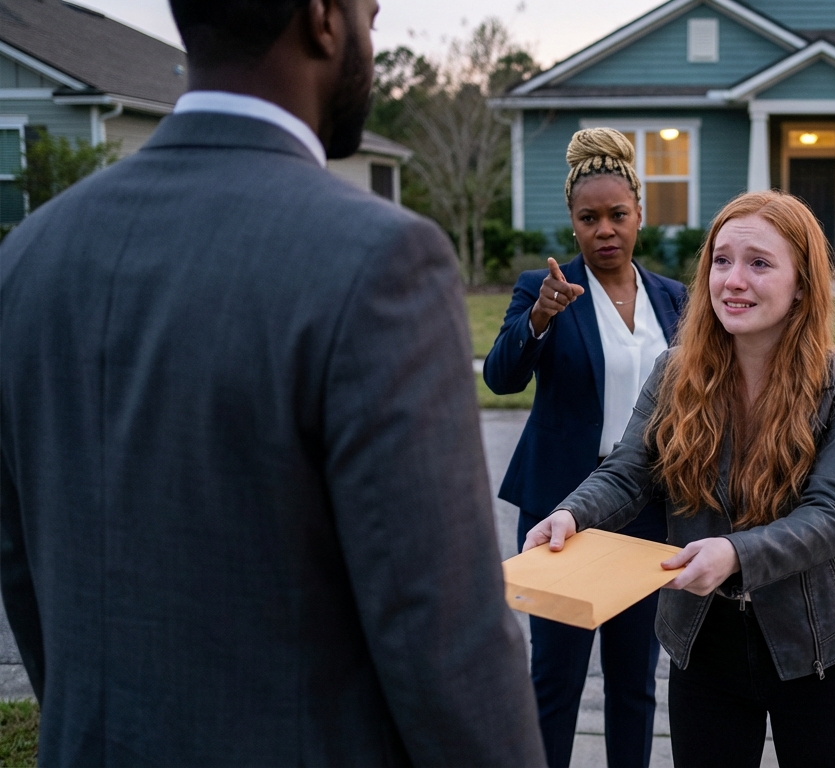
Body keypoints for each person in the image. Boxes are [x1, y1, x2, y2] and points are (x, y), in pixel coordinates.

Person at [0, 0, 543, 765]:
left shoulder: (28, 255)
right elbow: (448, 644)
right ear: (323, 17)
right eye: (371, 14)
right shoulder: (378, 261)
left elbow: (24, 574)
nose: (373, 35)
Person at [524, 190, 835, 768]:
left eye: (759, 263)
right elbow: (629, 470)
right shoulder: (675, 370)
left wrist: (733, 554)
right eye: (721, 261)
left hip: (817, 645)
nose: (733, 281)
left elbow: (831, 517)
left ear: (803, 284)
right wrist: (572, 513)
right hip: (704, 644)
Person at [485, 127, 687, 768]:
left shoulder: (672, 299)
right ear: (572, 224)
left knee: (634, 682)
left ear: (638, 216)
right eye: (589, 218)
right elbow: (501, 377)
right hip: (561, 510)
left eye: (617, 215)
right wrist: (539, 318)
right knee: (556, 682)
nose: (605, 229)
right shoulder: (544, 290)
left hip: (646, 512)